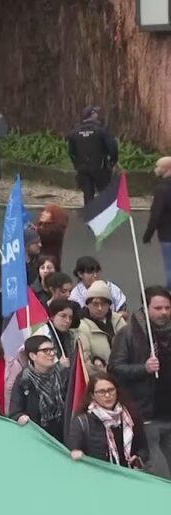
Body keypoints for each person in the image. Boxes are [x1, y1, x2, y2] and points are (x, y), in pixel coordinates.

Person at [109, 286, 171, 476]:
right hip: (146, 414)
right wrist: (143, 368)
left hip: (169, 411)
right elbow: (114, 368)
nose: (164, 312)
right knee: (157, 470)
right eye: (158, 308)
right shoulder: (128, 334)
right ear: (145, 307)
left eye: (168, 308)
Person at [66, 373, 147, 468]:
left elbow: (143, 448)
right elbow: (73, 451)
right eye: (101, 392)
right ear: (92, 395)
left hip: (127, 472)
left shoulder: (130, 416)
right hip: (98, 473)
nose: (107, 395)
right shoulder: (82, 421)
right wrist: (77, 454)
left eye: (111, 390)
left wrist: (139, 458)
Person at [11, 335, 70, 442]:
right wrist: (20, 417)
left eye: (52, 349)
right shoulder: (24, 380)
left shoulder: (63, 373)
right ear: (33, 356)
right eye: (46, 351)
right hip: (38, 435)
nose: (52, 354)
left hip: (64, 432)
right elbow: (15, 410)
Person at [67, 106, 118, 205]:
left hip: (83, 169)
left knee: (88, 196)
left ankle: (89, 214)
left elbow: (71, 152)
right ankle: (103, 214)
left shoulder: (75, 132)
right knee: (104, 195)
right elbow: (113, 148)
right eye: (95, 113)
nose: (97, 115)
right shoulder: (101, 130)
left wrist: (77, 165)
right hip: (100, 168)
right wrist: (112, 162)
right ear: (92, 115)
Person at [76, 280, 127, 369]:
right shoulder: (81, 326)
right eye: (95, 304)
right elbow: (84, 361)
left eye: (103, 304)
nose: (99, 308)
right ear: (87, 304)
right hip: (100, 374)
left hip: (124, 370)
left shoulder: (118, 321)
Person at [145, 157, 171, 288]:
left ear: (167, 169)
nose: (155, 169)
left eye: (158, 166)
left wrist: (147, 236)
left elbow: (156, 215)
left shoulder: (162, 189)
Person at [35, 204, 69, 269]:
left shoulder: (56, 230)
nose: (43, 213)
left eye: (47, 212)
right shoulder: (41, 226)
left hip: (49, 262)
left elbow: (43, 236)